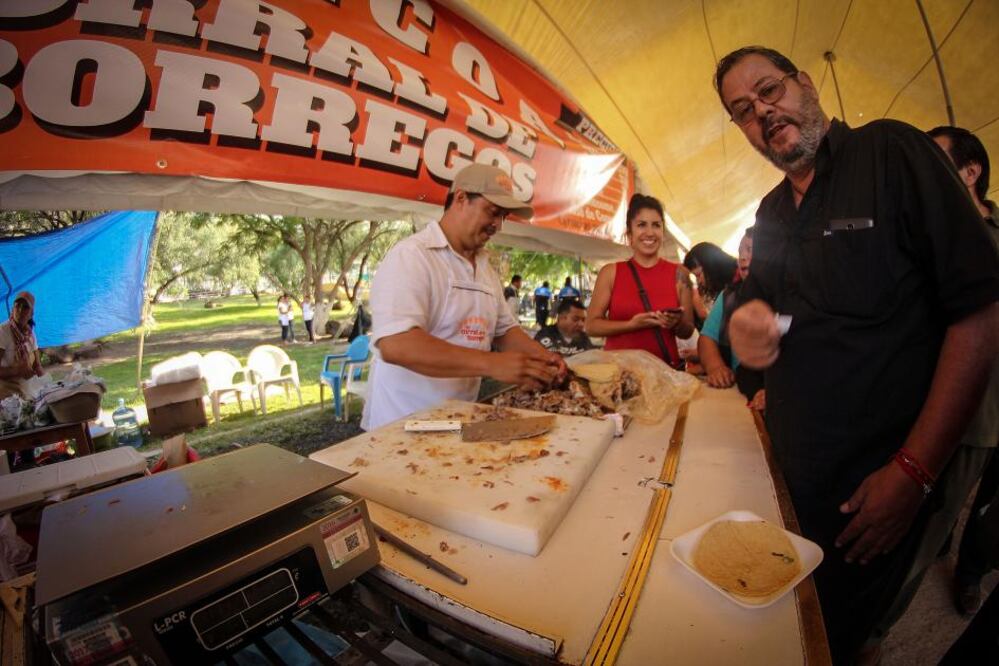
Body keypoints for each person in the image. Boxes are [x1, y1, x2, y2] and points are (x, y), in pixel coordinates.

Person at [716, 45, 998, 663]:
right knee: (777, 629)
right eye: (743, 109)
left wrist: (915, 473)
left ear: (805, 83)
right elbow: (752, 308)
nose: (763, 111)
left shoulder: (893, 152)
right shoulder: (768, 212)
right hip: (786, 479)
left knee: (833, 637)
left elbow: (979, 311)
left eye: (770, 90)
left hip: (871, 493)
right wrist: (746, 328)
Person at [362, 164, 566, 431]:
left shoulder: (484, 267)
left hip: (457, 420)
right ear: (460, 198)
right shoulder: (413, 256)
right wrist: (491, 364)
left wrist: (544, 360)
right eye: (493, 212)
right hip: (400, 423)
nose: (497, 225)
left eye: (503, 216)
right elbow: (396, 344)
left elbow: (505, 331)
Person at [923, 126, 999, 618]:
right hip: (965, 399)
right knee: (939, 500)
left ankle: (969, 573)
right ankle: (935, 548)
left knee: (993, 509)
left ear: (970, 172)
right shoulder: (932, 234)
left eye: (936, 160)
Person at [586, 193, 695, 368]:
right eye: (641, 225)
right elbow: (591, 326)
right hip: (618, 374)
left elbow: (687, 331)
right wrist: (631, 325)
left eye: (656, 225)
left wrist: (676, 323)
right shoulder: (610, 273)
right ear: (630, 232)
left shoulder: (680, 274)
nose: (650, 232)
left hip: (665, 373)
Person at [696, 229, 765, 410]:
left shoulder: (785, 296)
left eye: (750, 250)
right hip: (740, 391)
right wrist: (715, 366)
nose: (742, 257)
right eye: (740, 251)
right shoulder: (729, 297)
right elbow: (707, 338)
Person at [0, 291, 43, 401]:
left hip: (27, 391)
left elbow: (36, 358)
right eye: (17, 306)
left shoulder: (30, 333)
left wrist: (38, 368)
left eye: (25, 307)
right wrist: (16, 371)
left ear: (31, 313)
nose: (19, 310)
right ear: (12, 308)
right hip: (7, 395)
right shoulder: (3, 331)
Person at [682, 242, 739, 325]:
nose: (699, 281)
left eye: (698, 275)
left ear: (711, 266)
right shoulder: (722, 289)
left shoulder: (741, 280)